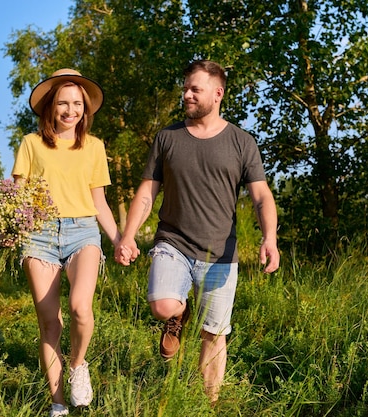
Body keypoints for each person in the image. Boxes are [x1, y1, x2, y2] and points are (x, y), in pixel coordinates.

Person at [115, 60, 280, 404]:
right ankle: (177, 316)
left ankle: (209, 405)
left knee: (213, 334)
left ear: (218, 94)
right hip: (172, 242)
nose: (186, 95)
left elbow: (262, 196)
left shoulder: (241, 141)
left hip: (221, 253)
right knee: (163, 306)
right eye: (185, 89)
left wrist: (270, 238)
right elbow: (147, 193)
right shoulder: (168, 137)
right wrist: (128, 235)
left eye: (195, 90)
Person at [12, 68, 122, 417]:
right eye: (63, 103)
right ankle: (57, 404)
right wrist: (12, 224)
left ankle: (78, 365)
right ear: (50, 107)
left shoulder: (94, 147)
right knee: (49, 323)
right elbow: (17, 193)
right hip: (39, 235)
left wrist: (120, 239)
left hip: (82, 232)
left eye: (77, 103)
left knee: (80, 308)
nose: (70, 110)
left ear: (85, 109)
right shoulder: (31, 143)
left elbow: (99, 201)